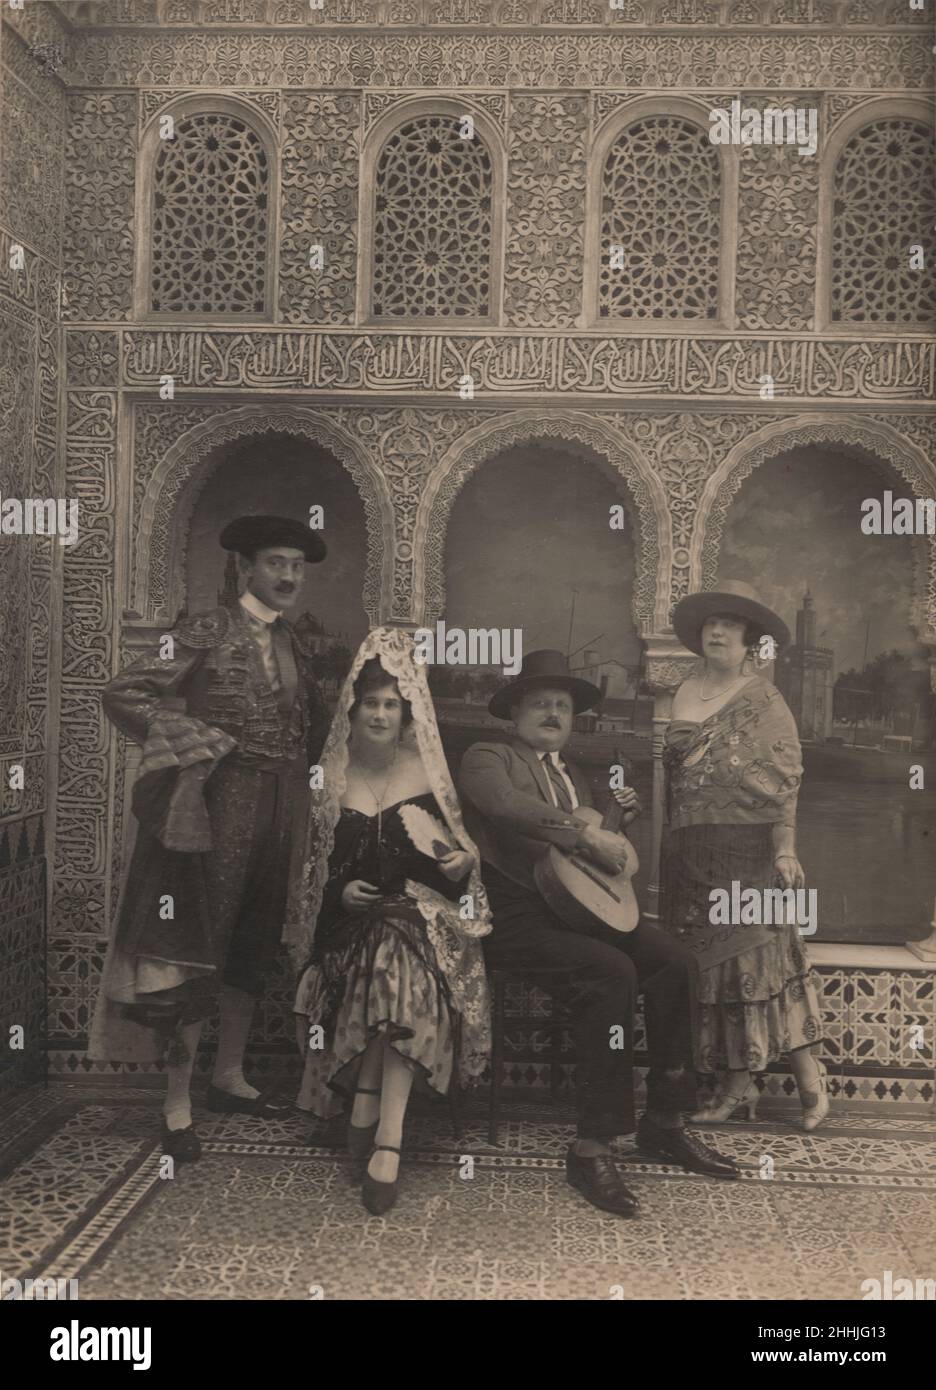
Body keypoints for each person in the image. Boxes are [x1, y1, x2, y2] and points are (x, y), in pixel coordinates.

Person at [459, 649, 738, 1221]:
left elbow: (580, 877)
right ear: (514, 712)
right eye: (541, 703)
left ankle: (663, 1122)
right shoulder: (487, 756)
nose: (554, 713)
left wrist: (613, 821)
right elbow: (507, 807)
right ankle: (592, 1146)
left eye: (562, 705)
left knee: (673, 962)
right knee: (610, 970)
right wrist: (588, 836)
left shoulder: (574, 778)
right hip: (514, 921)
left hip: (572, 917)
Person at [89, 515, 330, 1162]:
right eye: (276, 562)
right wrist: (193, 744)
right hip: (217, 806)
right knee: (201, 940)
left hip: (281, 805)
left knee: (254, 939)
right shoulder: (204, 629)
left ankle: (228, 1076)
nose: (287, 576)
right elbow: (125, 691)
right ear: (246, 567)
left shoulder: (299, 645)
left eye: (296, 566)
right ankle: (176, 1101)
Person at [288, 627, 491, 1216]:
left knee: (397, 952)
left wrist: (461, 862)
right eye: (370, 703)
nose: (380, 714)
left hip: (423, 922)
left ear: (407, 714)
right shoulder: (327, 777)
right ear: (351, 709)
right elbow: (304, 873)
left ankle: (381, 1129)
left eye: (391, 705)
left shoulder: (427, 774)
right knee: (385, 952)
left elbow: (460, 865)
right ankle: (378, 1118)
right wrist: (338, 890)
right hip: (348, 930)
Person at [664, 579, 828, 1131]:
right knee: (712, 969)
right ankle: (738, 1081)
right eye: (711, 623)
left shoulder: (764, 698)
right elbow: (671, 775)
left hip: (749, 847)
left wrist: (785, 850)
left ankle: (802, 1080)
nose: (717, 631)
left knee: (758, 963)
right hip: (690, 853)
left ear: (747, 640)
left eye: (730, 626)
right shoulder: (682, 693)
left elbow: (787, 778)